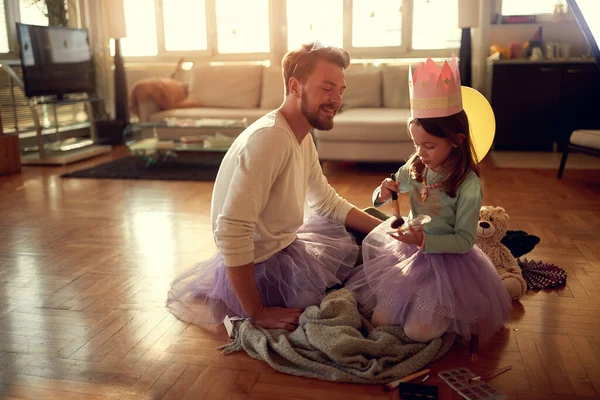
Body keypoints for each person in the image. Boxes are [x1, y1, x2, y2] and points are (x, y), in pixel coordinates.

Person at [167, 42, 382, 331]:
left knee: (369, 251)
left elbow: (325, 202)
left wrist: (385, 228)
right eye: (327, 88)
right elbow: (231, 229)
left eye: (340, 90)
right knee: (358, 290)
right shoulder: (270, 138)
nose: (336, 99)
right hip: (261, 269)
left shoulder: (300, 134)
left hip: (284, 246)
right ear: (295, 86)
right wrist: (257, 311)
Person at [345, 56, 512, 343]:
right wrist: (382, 192)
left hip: (448, 261)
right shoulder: (417, 165)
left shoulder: (468, 186)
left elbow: (463, 240)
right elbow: (382, 197)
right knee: (381, 320)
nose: (420, 152)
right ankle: (417, 305)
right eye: (416, 144)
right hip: (409, 255)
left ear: (457, 140)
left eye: (429, 145)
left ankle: (447, 310)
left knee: (417, 333)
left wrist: (423, 241)